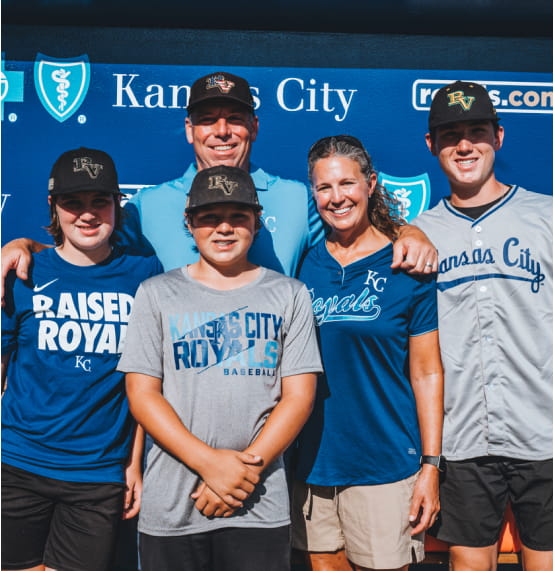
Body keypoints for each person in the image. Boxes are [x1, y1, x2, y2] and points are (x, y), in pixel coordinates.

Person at [1, 71, 438, 290]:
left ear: (255, 127)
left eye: (236, 119)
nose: (222, 131)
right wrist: (29, 247)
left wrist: (410, 231)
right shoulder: (149, 205)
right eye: (208, 120)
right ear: (190, 130)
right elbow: (87, 242)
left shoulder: (291, 197)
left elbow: (357, 227)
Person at [117, 165, 323, 571]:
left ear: (257, 223)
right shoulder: (156, 294)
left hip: (259, 502)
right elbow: (142, 394)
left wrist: (245, 471)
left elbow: (299, 396)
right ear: (189, 223)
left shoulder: (289, 294)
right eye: (210, 217)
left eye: (237, 217)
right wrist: (210, 464)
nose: (224, 229)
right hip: (174, 504)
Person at [1, 147, 163, 571]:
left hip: (98, 473)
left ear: (117, 205)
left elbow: (147, 378)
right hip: (16, 463)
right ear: (53, 207)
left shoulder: (144, 273)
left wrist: (134, 463)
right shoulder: (22, 274)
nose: (87, 215)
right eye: (73, 203)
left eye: (99, 202)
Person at [414, 80, 553, 571]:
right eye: (450, 134)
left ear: (499, 135)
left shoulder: (547, 215)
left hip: (546, 433)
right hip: (464, 438)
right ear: (431, 145)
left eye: (476, 130)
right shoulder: (419, 233)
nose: (465, 144)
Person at [292, 135, 444, 571]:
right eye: (324, 187)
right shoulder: (304, 263)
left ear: (371, 184)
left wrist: (430, 467)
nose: (336, 197)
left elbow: (427, 372)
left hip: (384, 465)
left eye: (347, 183)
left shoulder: (407, 264)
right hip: (311, 466)